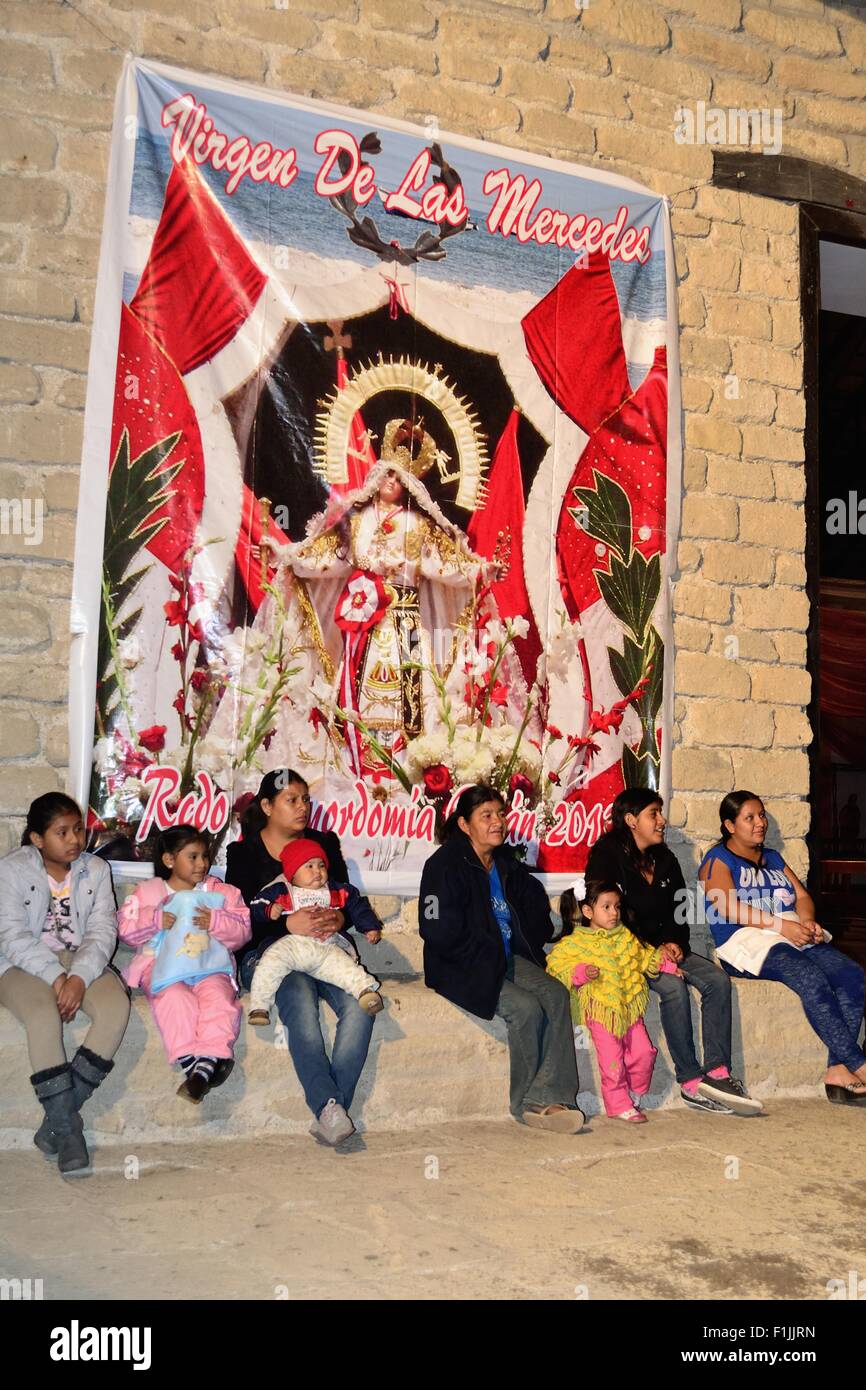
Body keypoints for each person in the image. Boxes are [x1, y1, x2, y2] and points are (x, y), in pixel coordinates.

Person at [210, 419, 522, 780]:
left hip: (406, 619)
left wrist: (480, 570)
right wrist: (288, 555)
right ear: (377, 476)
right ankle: (359, 759)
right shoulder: (356, 522)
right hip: (364, 621)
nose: (392, 483)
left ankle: (406, 765)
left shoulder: (418, 524)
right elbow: (328, 557)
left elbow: (443, 563)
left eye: (399, 479)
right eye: (387, 475)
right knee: (359, 684)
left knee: (411, 689)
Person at [419, 784, 585, 1132]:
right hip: (462, 965)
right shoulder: (443, 865)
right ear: (465, 825)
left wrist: (532, 930)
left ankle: (552, 1095)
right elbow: (435, 929)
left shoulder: (507, 863)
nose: (498, 822)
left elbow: (534, 905)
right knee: (525, 1009)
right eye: (487, 815)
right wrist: (482, 954)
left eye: (500, 814)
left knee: (556, 995)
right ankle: (527, 1102)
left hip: (507, 957)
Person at [586, 788, 761, 1117]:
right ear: (630, 820)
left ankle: (718, 1072)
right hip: (624, 953)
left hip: (667, 948)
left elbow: (681, 909)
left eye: (660, 813)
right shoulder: (606, 855)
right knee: (673, 988)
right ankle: (691, 1080)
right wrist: (651, 953)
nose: (662, 820)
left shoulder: (664, 858)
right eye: (654, 813)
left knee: (717, 980)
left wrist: (675, 943)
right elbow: (607, 915)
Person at [225, 768, 375, 1147]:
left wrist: (340, 918)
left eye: (305, 799)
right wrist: (286, 923)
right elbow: (239, 917)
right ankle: (329, 1106)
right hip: (270, 954)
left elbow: (344, 897)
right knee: (299, 998)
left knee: (362, 1005)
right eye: (291, 799)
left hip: (326, 951)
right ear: (266, 805)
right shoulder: (243, 853)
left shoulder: (324, 843)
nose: (302, 807)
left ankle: (331, 1110)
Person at [699, 790, 866, 1108]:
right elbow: (729, 908)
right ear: (730, 825)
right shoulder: (717, 860)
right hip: (747, 941)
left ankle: (837, 1071)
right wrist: (783, 927)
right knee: (810, 977)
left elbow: (802, 896)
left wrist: (807, 922)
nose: (760, 823)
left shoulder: (773, 857)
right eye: (749, 818)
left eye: (761, 815)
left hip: (789, 935)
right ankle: (858, 1064)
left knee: (850, 974)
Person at [0, 793, 131, 1177]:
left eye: (78, 829)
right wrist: (57, 977)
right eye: (62, 832)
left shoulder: (96, 870)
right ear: (37, 839)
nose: (75, 839)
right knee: (43, 1016)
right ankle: (71, 1131)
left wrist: (78, 976)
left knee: (116, 1007)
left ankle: (56, 1122)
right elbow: (11, 936)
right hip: (21, 965)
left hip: (80, 961)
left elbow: (103, 930)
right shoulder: (11, 870)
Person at [118, 826, 250, 1103]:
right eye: (193, 857)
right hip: (162, 968)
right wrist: (154, 919)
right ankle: (196, 1064)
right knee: (174, 999)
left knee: (219, 999)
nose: (202, 863)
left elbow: (242, 933)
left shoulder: (223, 893)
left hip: (209, 965)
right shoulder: (148, 892)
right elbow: (125, 929)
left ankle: (210, 1056)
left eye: (205, 856)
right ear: (168, 860)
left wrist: (215, 922)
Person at [547, 880, 681, 1124]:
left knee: (644, 1052)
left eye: (617, 906)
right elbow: (558, 967)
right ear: (588, 911)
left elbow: (644, 957)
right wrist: (581, 973)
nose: (614, 913)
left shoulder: (625, 937)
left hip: (629, 1007)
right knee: (612, 1062)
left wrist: (667, 965)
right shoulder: (575, 943)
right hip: (602, 1011)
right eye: (606, 907)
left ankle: (635, 1093)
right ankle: (618, 1104)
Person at [247, 838, 384, 1025]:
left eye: (321, 865)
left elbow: (357, 904)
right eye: (309, 866)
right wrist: (269, 910)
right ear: (292, 874)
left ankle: (365, 991)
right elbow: (256, 903)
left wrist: (369, 926)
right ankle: (259, 1007)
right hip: (291, 946)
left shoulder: (336, 890)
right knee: (269, 965)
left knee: (345, 966)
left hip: (326, 946)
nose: (317, 871)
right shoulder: (281, 891)